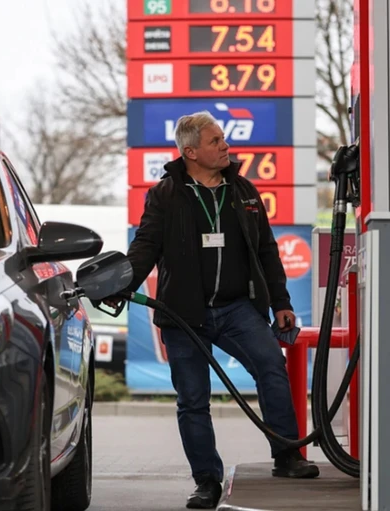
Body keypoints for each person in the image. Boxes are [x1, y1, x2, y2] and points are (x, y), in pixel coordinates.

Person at [107, 111, 319, 509]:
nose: (226, 146)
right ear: (190, 152)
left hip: (237, 309)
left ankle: (287, 456)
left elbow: (266, 250)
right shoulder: (166, 195)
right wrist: (120, 285)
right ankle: (206, 481)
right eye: (216, 141)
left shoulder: (243, 190)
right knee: (192, 399)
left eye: (223, 139)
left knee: (271, 367)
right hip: (184, 314)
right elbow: (145, 248)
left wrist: (281, 302)